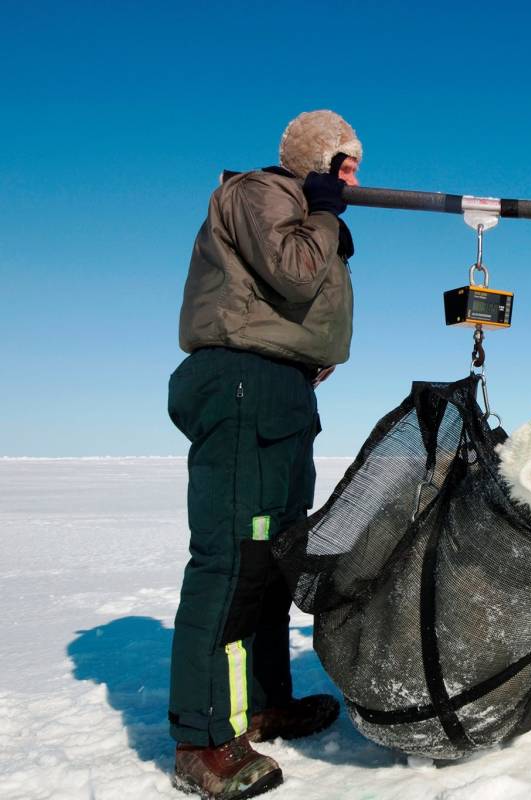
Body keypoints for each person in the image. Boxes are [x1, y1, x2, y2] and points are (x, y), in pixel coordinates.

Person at [167, 110, 361, 800]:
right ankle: (204, 738)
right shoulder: (263, 191)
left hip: (279, 389)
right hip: (243, 383)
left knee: (277, 557)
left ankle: (266, 703)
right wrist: (329, 215)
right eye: (344, 164)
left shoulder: (299, 208)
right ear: (317, 159)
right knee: (232, 560)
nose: (352, 177)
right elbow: (297, 272)